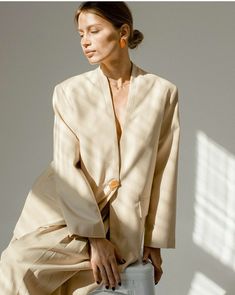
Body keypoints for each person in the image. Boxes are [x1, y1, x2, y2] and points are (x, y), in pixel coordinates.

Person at [0, 2, 180, 294]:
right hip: (69, 214)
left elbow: (164, 169)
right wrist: (94, 237)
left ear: (123, 32)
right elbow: (65, 166)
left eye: (94, 31)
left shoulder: (162, 93)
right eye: (80, 33)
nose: (85, 40)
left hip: (125, 223)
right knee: (16, 266)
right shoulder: (68, 92)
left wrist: (154, 242)